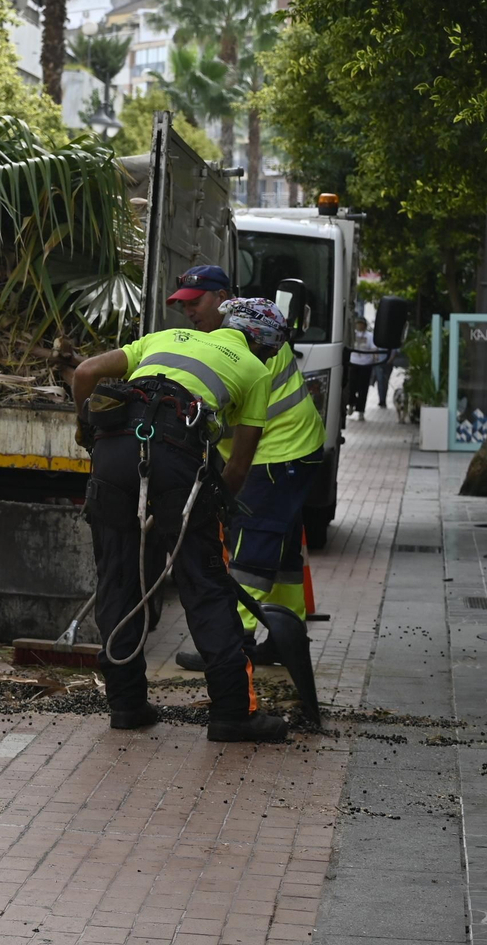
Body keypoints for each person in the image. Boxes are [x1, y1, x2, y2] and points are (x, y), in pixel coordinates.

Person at [70, 297, 290, 743]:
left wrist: (87, 430)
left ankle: (126, 705)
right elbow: (238, 467)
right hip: (177, 459)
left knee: (117, 578)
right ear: (263, 345)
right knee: (206, 587)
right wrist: (211, 511)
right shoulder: (256, 370)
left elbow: (85, 373)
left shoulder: (166, 336)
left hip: (113, 451)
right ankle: (232, 714)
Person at [168, 265, 326, 667]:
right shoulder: (242, 331)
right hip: (294, 451)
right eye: (184, 305)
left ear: (223, 300)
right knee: (283, 554)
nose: (189, 312)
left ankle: (232, 644)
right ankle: (287, 639)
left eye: (196, 302)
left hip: (275, 455)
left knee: (250, 549)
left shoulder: (254, 337)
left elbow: (215, 410)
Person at [348, 316, 378, 419]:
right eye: (358, 324)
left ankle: (361, 410)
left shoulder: (370, 336)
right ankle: (351, 404)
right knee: (351, 386)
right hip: (353, 363)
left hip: (365, 364)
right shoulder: (352, 335)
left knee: (363, 388)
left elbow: (374, 348)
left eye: (361, 324)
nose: (359, 326)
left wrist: (375, 357)